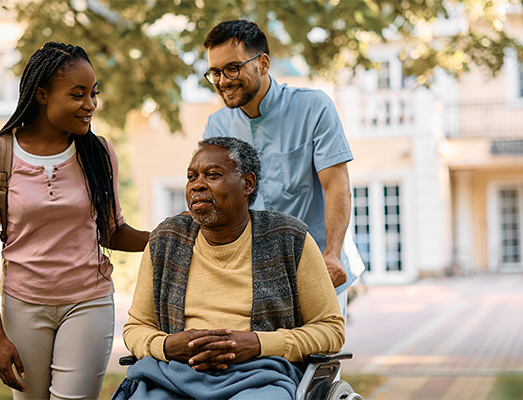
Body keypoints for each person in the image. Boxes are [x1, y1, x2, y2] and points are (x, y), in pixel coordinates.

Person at [0, 42, 149, 400]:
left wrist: (165, 235)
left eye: (93, 94)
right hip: (24, 305)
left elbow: (112, 231)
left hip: (88, 302)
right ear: (41, 95)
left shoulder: (98, 154)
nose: (90, 105)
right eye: (78, 95)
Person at [113, 137, 344, 400]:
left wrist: (259, 344)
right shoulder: (166, 241)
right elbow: (136, 327)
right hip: (174, 375)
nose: (197, 184)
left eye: (212, 175)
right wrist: (166, 345)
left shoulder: (289, 238)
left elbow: (331, 329)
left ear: (247, 184)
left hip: (261, 376)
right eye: (191, 177)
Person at [201, 20, 363, 319]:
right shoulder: (217, 125)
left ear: (263, 63)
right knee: (265, 363)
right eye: (215, 72)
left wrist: (333, 254)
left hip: (319, 270)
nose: (223, 80)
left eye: (233, 68)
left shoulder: (314, 107)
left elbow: (336, 185)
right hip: (256, 280)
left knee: (319, 362)